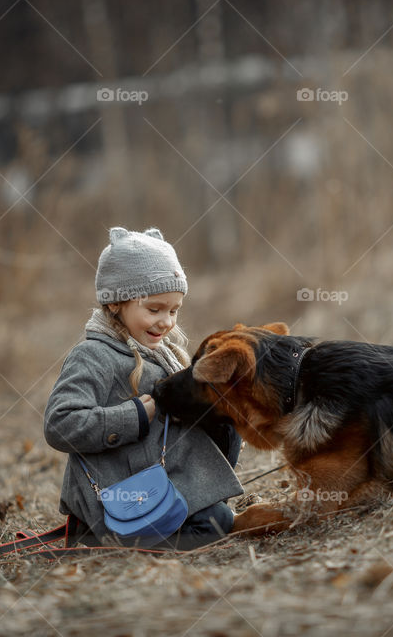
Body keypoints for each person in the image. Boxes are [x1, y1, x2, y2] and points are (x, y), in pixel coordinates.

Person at [43, 226, 244, 549]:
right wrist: (133, 415)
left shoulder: (164, 354)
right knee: (215, 525)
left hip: (161, 487)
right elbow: (60, 424)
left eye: (174, 310)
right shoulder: (93, 355)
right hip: (120, 497)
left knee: (218, 516)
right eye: (154, 309)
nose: (166, 321)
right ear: (115, 304)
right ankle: (105, 539)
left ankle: (185, 513)